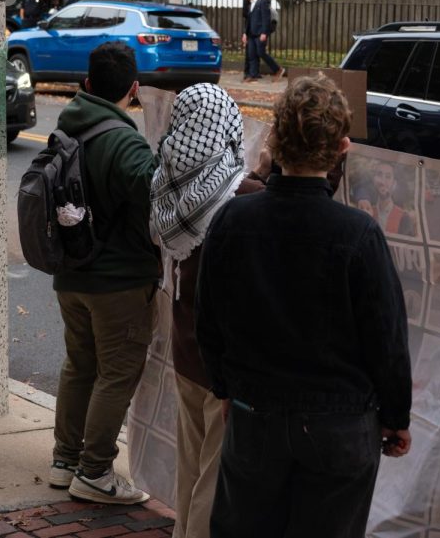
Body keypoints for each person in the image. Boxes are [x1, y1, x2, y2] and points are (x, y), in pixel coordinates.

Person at [196, 75, 412, 538]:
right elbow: (387, 338)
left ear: (275, 141)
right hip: (340, 426)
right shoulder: (358, 234)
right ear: (342, 148)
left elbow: (208, 319)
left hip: (256, 416)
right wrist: (396, 418)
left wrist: (224, 389)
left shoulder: (234, 219)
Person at [149, 83, 268, 538]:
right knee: (215, 483)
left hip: (185, 349)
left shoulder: (167, 183)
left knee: (191, 469)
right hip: (222, 364)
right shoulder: (240, 195)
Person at [48, 41, 159, 505]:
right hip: (118, 281)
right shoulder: (123, 140)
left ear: (88, 83)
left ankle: (65, 459)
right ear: (134, 89)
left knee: (80, 366)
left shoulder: (66, 125)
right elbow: (155, 204)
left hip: (71, 273)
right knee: (116, 374)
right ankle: (94, 472)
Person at [242, 0, 283, 82]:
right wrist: (245, 33)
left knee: (261, 53)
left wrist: (264, 32)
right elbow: (248, 20)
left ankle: (278, 69)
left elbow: (266, 18)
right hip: (251, 33)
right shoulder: (251, 3)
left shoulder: (263, 2)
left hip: (260, 33)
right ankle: (253, 75)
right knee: (251, 54)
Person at [370, 159, 417, 237]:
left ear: (394, 183)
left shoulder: (404, 217)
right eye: (379, 175)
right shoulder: (368, 212)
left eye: (388, 177)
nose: (383, 181)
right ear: (374, 180)